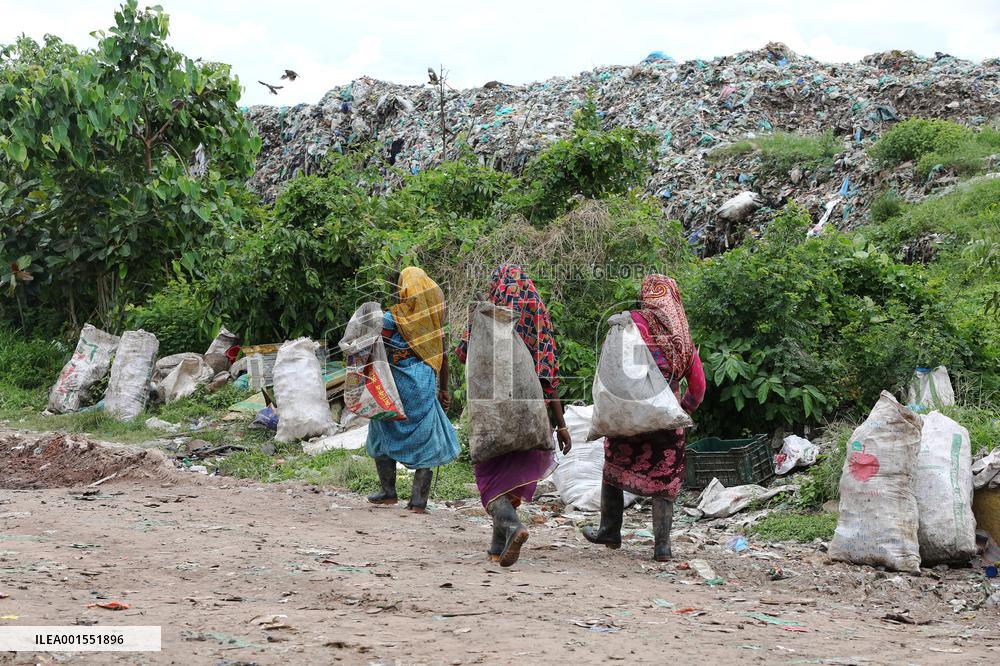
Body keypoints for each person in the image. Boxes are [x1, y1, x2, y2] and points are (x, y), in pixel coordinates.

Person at [582, 274, 705, 561]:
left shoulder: (631, 324)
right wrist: (682, 409)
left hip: (629, 417)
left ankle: (609, 530)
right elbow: (698, 387)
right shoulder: (682, 338)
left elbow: (613, 368)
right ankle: (662, 546)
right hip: (666, 421)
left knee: (615, 467)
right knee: (665, 479)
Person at [456, 264, 572, 567]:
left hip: (493, 412)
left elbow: (463, 353)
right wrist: (561, 425)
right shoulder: (538, 319)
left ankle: (512, 526)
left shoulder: (486, 315)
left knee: (489, 477)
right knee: (513, 475)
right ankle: (498, 545)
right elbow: (548, 375)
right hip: (531, 412)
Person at [366, 267, 460, 512]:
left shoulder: (392, 318)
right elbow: (443, 357)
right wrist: (444, 389)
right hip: (423, 386)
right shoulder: (433, 322)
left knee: (382, 427)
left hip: (395, 385)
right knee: (425, 437)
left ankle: (388, 492)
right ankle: (418, 502)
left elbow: (375, 349)